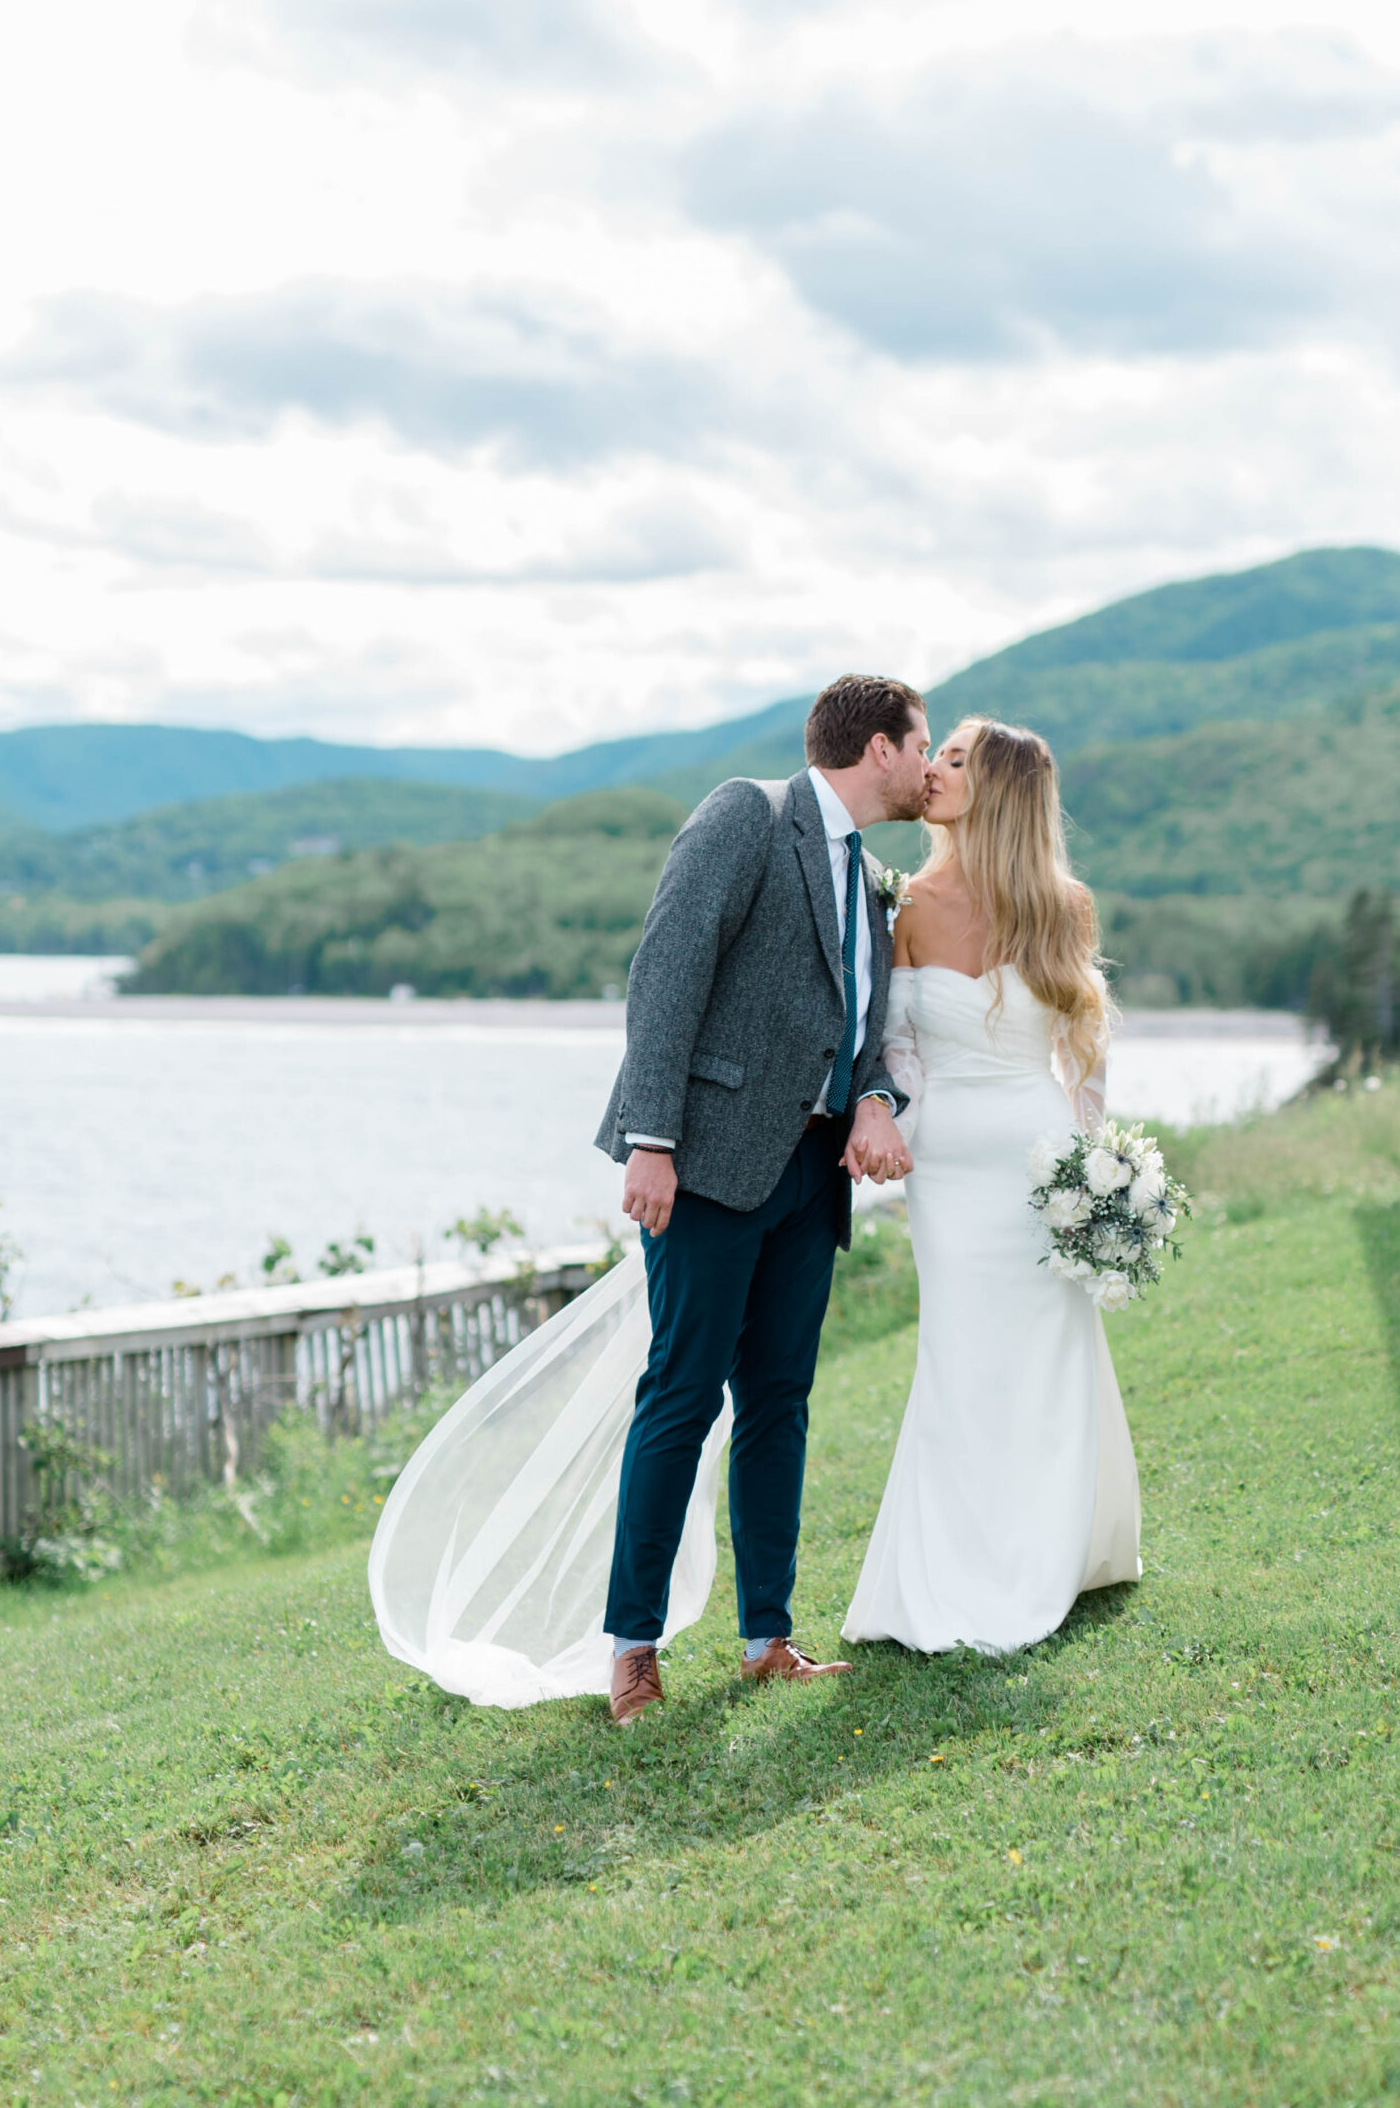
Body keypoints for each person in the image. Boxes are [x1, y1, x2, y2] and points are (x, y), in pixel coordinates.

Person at [366, 673, 930, 1721]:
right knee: (681, 1394)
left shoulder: (870, 878)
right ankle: (633, 1645)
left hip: (814, 1175)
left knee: (781, 1403)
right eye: (922, 745)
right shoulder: (747, 814)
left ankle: (768, 1635)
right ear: (881, 749)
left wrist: (876, 1099)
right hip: (708, 1163)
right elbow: (666, 970)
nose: (930, 766)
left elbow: (865, 1023)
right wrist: (652, 1140)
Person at [841, 717, 1142, 1656]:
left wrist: (1098, 1173)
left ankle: (1047, 1553)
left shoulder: (1063, 906)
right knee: (961, 1360)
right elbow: (896, 1045)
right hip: (949, 1167)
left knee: (1047, 1361)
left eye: (957, 759)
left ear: (1001, 789)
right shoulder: (908, 906)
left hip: (1040, 1161)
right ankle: (954, 1566)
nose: (933, 768)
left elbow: (1084, 1052)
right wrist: (888, 1117)